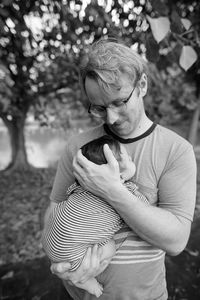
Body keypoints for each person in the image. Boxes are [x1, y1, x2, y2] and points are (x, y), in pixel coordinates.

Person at [44, 38, 197, 300]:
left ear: (142, 86)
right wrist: (63, 265)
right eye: (100, 108)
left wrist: (112, 190)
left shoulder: (175, 150)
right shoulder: (77, 146)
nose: (111, 118)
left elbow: (176, 241)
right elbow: (53, 214)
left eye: (119, 102)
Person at [42, 135, 149, 298]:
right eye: (124, 155)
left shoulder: (80, 186)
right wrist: (128, 175)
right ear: (117, 166)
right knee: (109, 246)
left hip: (51, 242)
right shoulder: (125, 192)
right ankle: (84, 280)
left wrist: (121, 174)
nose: (129, 157)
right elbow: (143, 209)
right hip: (73, 257)